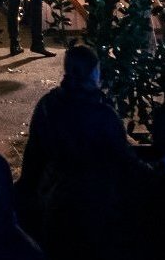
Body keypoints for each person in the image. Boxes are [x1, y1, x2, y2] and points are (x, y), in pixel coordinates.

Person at [17, 46, 136, 259]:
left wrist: (29, 195)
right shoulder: (103, 115)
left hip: (55, 204)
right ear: (94, 72)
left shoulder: (48, 105)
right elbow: (127, 164)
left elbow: (33, 157)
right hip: (96, 208)